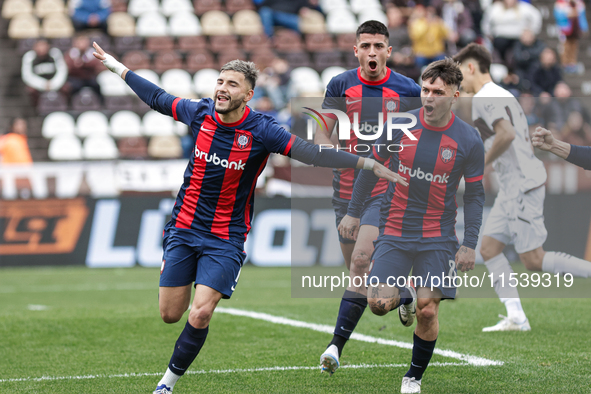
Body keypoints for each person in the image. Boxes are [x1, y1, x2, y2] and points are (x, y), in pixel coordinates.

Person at [92, 43, 406, 394]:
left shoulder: (262, 130)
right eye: (220, 82)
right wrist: (116, 66)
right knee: (170, 314)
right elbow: (157, 97)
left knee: (200, 314)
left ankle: (166, 386)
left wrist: (364, 162)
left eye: (232, 84)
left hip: (225, 238)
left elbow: (311, 153)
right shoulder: (199, 113)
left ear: (248, 94)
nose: (222, 89)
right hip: (182, 228)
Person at [339, 58, 485, 394]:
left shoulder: (469, 140)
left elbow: (475, 196)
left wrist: (470, 242)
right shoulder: (400, 125)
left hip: (438, 236)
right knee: (376, 304)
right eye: (425, 89)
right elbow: (369, 168)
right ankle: (403, 293)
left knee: (428, 310)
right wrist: (353, 212)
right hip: (395, 229)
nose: (429, 97)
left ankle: (413, 377)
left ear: (455, 96)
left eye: (438, 92)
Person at [453, 43, 591, 332]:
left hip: (521, 184)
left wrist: (478, 167)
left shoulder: (484, 97)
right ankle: (516, 316)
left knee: (533, 259)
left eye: (459, 72)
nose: (459, 80)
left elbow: (507, 134)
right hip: (514, 184)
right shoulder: (500, 94)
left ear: (470, 67)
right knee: (489, 248)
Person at [314, 20, 421, 375]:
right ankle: (405, 293)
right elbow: (323, 134)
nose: (372, 52)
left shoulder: (407, 88)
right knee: (370, 293)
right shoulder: (340, 85)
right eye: (366, 46)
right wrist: (329, 151)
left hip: (385, 192)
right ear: (356, 50)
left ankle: (334, 347)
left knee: (361, 260)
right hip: (343, 190)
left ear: (388, 51)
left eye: (379, 46)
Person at [481, 0, 542, 64]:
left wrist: (532, 31)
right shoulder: (495, 8)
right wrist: (489, 34)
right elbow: (485, 23)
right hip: (500, 38)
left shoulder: (524, 7)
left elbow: (537, 16)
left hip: (518, 38)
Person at [21, 39, 68, 106]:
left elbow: (62, 71)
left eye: (44, 45)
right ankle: (35, 110)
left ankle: (63, 107)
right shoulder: (29, 57)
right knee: (30, 90)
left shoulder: (55, 54)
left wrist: (53, 84)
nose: (42, 48)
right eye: (39, 46)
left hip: (54, 83)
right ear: (34, 47)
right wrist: (43, 84)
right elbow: (27, 76)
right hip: (37, 84)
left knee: (66, 88)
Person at [64, 34, 103, 99]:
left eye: (84, 42)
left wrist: (82, 64)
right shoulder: (70, 53)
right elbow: (69, 67)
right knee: (71, 87)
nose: (82, 44)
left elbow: (96, 65)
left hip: (89, 78)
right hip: (75, 78)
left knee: (97, 86)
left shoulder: (92, 52)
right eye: (79, 42)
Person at [554, 0, 589, 73]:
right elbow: (558, 15)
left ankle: (572, 63)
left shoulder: (579, 3)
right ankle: (565, 63)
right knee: (565, 47)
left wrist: (584, 27)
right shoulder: (561, 4)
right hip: (565, 30)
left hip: (575, 30)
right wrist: (569, 14)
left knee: (573, 47)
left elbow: (582, 17)